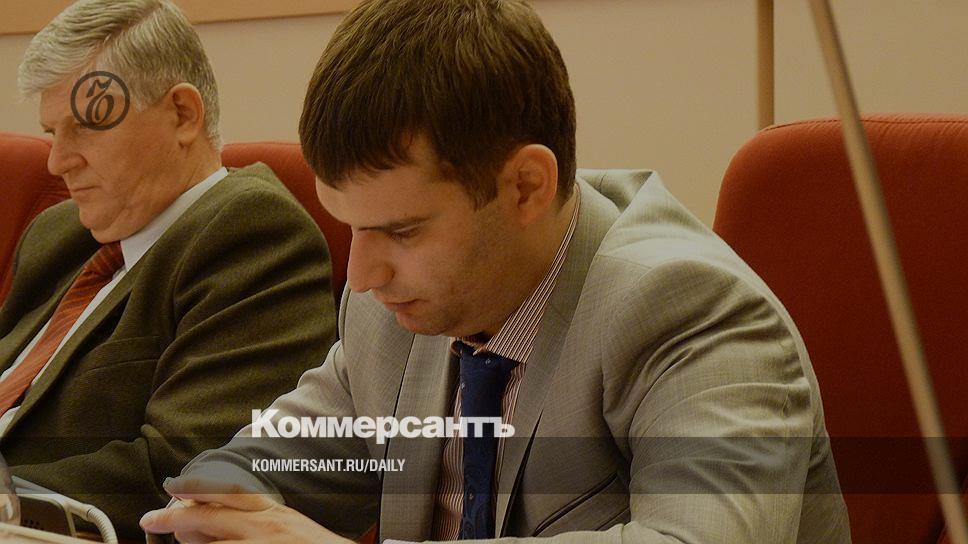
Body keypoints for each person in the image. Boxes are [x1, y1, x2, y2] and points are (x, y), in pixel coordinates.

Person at [140, 0, 851, 542]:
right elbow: (284, 455)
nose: (361, 274)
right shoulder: (396, 309)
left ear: (526, 187)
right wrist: (218, 495)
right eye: (352, 226)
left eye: (401, 231)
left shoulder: (690, 310)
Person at [0, 0, 337, 537]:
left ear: (183, 114)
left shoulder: (251, 231)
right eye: (52, 133)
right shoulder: (59, 234)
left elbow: (181, 470)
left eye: (84, 129)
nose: (57, 161)